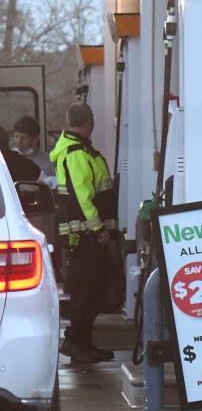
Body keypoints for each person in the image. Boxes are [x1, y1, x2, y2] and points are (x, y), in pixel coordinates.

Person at [50, 103, 117, 363]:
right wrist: (97, 228)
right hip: (86, 234)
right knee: (91, 287)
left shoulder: (77, 149)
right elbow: (82, 195)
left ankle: (83, 342)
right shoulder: (76, 152)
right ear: (90, 121)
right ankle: (76, 340)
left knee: (89, 288)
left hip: (85, 233)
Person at [12, 115, 55, 185]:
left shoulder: (48, 161)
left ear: (35, 138)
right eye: (16, 136)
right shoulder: (8, 157)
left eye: (24, 137)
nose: (19, 141)